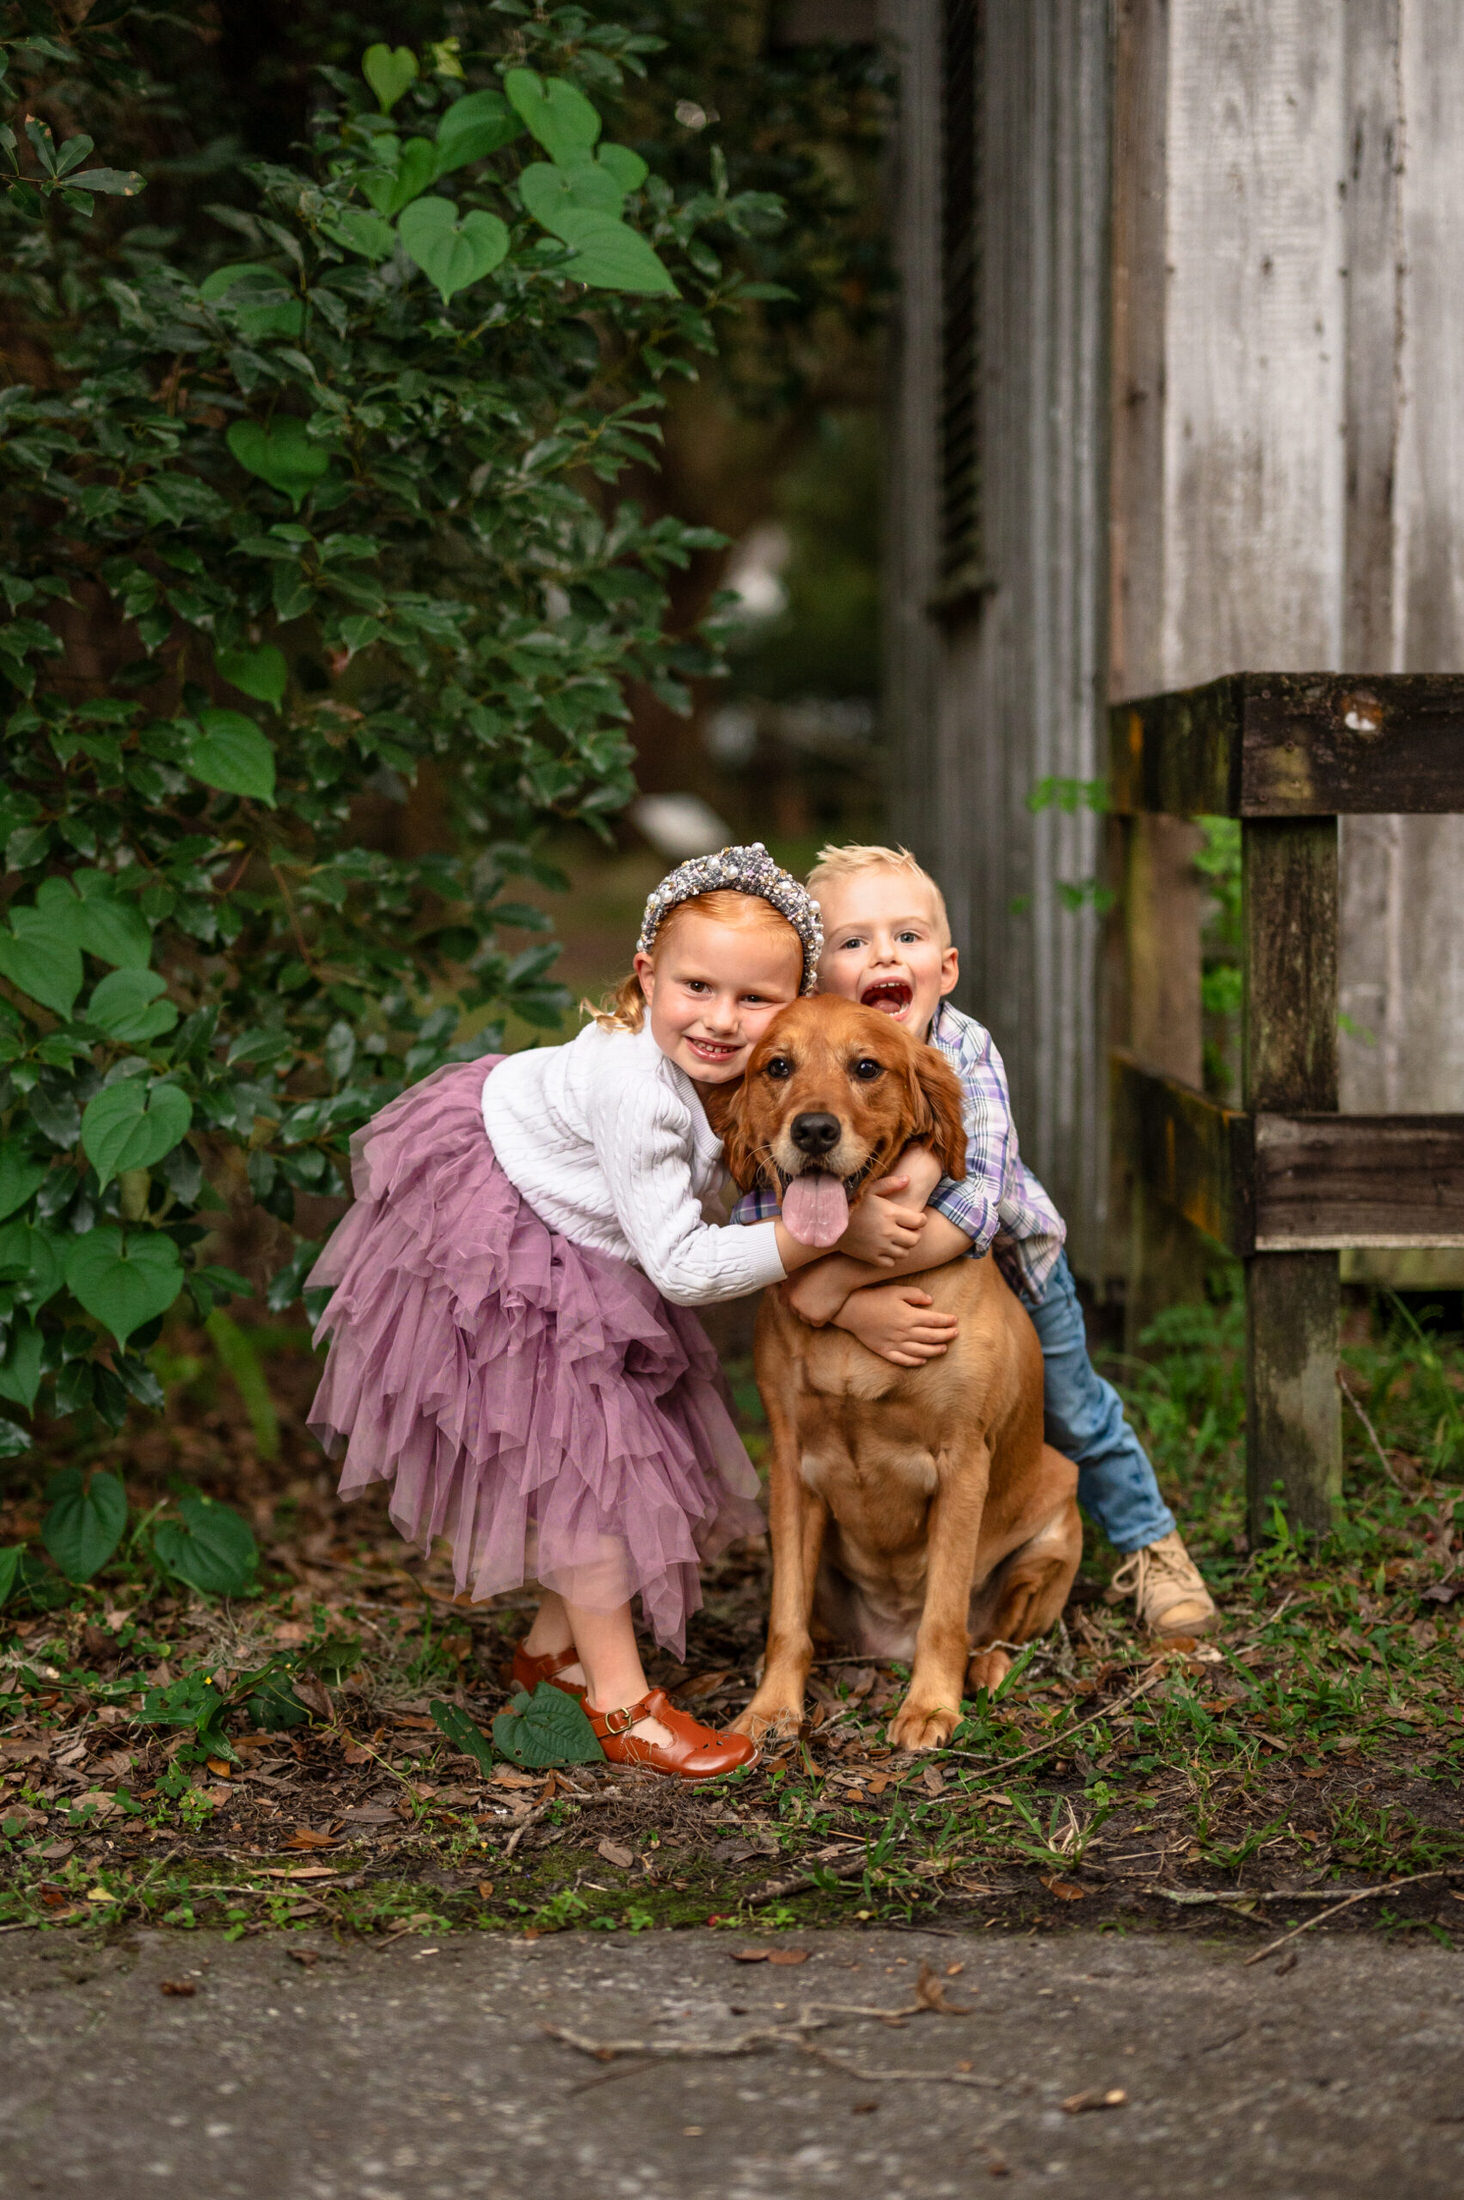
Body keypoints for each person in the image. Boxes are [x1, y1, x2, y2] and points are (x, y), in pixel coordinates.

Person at [307, 845, 929, 1778]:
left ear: (792, 1002)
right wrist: (826, 1241)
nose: (721, 1021)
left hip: (589, 1243)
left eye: (753, 1001)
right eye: (696, 988)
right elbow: (681, 1266)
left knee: (627, 1450)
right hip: (502, 1245)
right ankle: (620, 1705)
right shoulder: (636, 1088)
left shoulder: (749, 1073)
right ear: (646, 975)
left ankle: (552, 1656)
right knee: (594, 1482)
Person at [733, 842, 1217, 1641]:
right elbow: (759, 1205)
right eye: (853, 943)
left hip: (1022, 1268)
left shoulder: (964, 1053)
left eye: (908, 937)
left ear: (947, 967)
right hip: (880, 1272)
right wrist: (847, 1305)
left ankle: (1152, 1545)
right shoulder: (801, 1064)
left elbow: (974, 1213)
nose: (884, 954)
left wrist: (837, 1289)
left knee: (1079, 1415)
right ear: (817, 982)